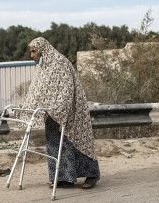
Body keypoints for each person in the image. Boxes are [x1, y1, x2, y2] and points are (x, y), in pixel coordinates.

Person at [17, 37, 100, 189]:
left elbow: (66, 90)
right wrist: (30, 106)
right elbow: (37, 91)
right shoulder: (43, 68)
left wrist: (58, 108)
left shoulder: (59, 63)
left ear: (43, 50)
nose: (32, 56)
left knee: (77, 141)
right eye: (31, 52)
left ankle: (92, 174)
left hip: (71, 110)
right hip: (51, 112)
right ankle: (63, 178)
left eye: (34, 51)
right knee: (55, 145)